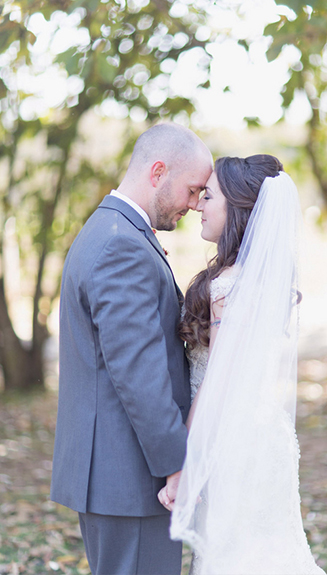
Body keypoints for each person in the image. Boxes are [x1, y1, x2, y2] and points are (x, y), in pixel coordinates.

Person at [51, 123, 213, 574]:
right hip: (131, 478)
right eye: (193, 189)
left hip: (118, 476)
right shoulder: (121, 246)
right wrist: (176, 464)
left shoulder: (113, 230)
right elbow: (139, 377)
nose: (196, 203)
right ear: (158, 171)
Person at [161, 154, 325, 574]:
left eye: (208, 195)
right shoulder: (253, 279)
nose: (197, 204)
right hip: (258, 432)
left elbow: (219, 380)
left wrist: (183, 462)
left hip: (232, 442)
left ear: (235, 208)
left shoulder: (230, 287)